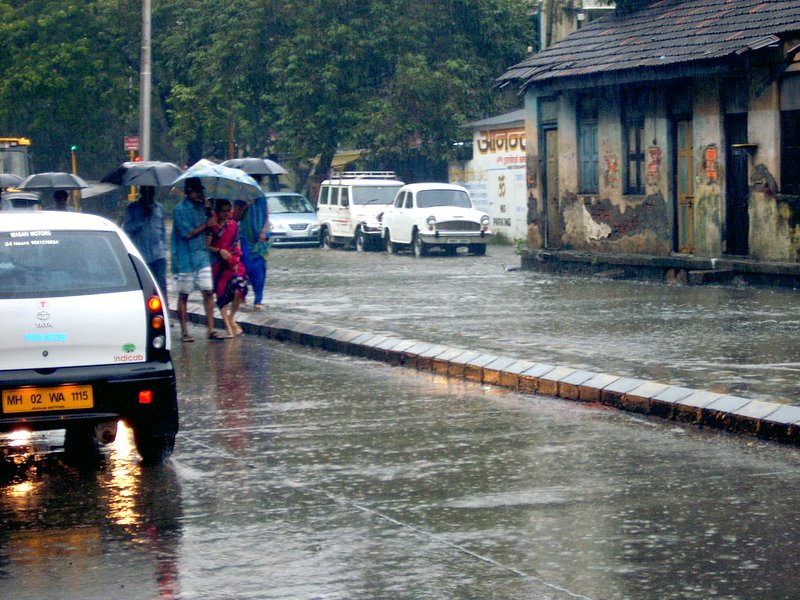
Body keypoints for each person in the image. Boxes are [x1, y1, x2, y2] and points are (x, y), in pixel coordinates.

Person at [171, 177, 222, 341]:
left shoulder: (203, 208)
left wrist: (209, 213)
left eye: (200, 191)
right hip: (185, 259)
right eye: (196, 191)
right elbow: (187, 233)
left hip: (202, 256)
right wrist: (206, 224)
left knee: (208, 291)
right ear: (188, 192)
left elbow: (211, 228)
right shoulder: (179, 210)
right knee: (184, 295)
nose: (199, 194)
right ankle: (184, 332)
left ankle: (211, 330)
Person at [206, 198, 248, 338]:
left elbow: (237, 243)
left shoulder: (234, 225)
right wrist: (219, 251)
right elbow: (207, 246)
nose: (226, 213)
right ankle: (228, 327)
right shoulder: (212, 226)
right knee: (221, 295)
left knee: (238, 290)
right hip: (218, 265)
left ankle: (231, 317)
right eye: (223, 211)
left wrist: (237, 258)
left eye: (228, 210)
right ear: (217, 212)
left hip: (233, 263)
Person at [122, 185, 168, 305]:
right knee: (145, 286)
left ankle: (164, 310)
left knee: (161, 286)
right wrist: (142, 217)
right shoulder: (132, 208)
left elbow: (163, 231)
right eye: (146, 193)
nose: (149, 196)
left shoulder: (159, 208)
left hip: (158, 255)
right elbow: (127, 227)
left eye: (151, 193)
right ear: (142, 193)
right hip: (141, 255)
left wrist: (163, 248)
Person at [239, 193, 270, 310]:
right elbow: (236, 217)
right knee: (244, 270)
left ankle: (258, 300)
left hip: (259, 242)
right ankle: (242, 295)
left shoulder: (262, 199)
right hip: (244, 241)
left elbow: (266, 217)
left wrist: (264, 230)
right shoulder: (240, 199)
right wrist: (246, 205)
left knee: (260, 271)